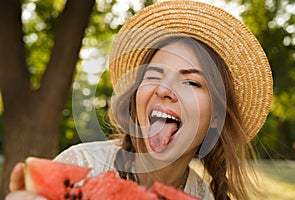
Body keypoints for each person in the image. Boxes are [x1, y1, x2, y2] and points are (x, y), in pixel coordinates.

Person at [6, 1, 273, 200]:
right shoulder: (82, 163)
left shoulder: (202, 196)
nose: (165, 90)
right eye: (154, 76)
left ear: (216, 118)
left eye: (191, 82)